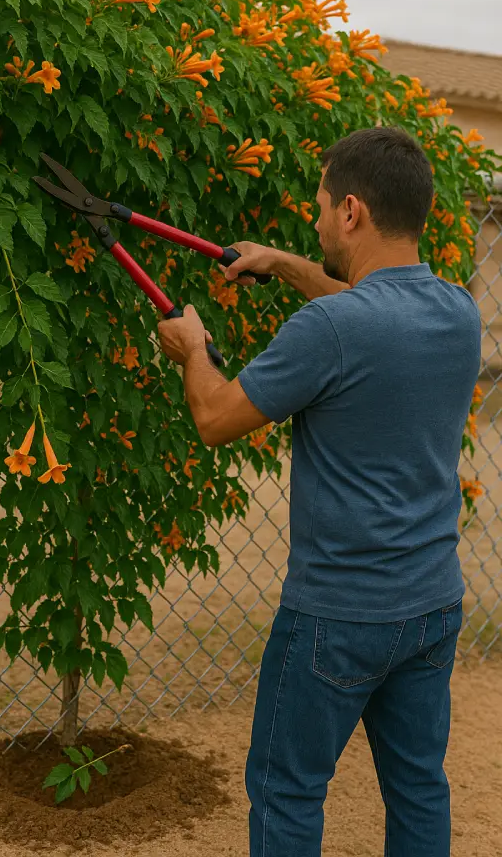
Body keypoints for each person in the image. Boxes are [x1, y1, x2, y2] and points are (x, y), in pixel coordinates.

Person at [157, 127, 481, 857]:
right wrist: (285, 263)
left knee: (287, 789)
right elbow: (372, 309)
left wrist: (190, 351)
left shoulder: (329, 329)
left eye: (320, 205)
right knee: (420, 786)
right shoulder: (458, 312)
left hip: (338, 616)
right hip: (431, 605)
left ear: (352, 212)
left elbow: (214, 418)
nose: (315, 217)